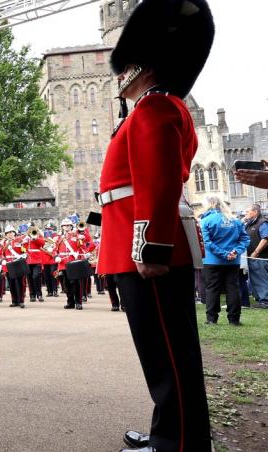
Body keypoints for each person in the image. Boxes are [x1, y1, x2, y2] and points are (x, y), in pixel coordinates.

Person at [97, 1, 214, 450]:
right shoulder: (154, 106)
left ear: (140, 65)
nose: (119, 74)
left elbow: (158, 183)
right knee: (163, 356)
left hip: (147, 253)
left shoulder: (154, 108)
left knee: (169, 356)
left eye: (124, 66)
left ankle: (179, 444)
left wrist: (151, 250)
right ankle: (170, 433)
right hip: (132, 245)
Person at [200, 196, 250, 325]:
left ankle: (212, 319)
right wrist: (235, 252)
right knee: (233, 288)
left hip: (213, 261)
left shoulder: (206, 220)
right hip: (233, 260)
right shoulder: (235, 220)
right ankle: (234, 319)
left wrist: (224, 254)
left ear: (209, 205)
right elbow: (245, 239)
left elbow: (207, 242)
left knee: (212, 289)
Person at [243, 204, 268, 308]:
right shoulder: (249, 223)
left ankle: (265, 301)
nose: (245, 213)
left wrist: (256, 252)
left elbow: (266, 238)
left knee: (261, 278)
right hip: (252, 257)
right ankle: (260, 300)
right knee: (255, 278)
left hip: (260, 257)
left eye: (247, 211)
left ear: (255, 212)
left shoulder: (262, 222)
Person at [55, 218, 83, 310]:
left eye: (68, 225)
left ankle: (78, 302)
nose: (66, 227)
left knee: (76, 283)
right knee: (66, 284)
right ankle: (70, 302)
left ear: (71, 226)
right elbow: (55, 250)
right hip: (63, 263)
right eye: (64, 226)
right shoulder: (59, 238)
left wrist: (79, 253)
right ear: (62, 227)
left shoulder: (77, 235)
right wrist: (56, 256)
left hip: (73, 261)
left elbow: (84, 246)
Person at [0, 225, 26, 308]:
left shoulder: (19, 240)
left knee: (20, 283)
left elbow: (24, 250)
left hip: (17, 263)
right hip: (9, 264)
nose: (10, 234)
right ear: (6, 234)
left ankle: (21, 301)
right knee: (11, 284)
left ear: (14, 233)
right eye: (8, 233)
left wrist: (24, 253)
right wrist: (3, 260)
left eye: (12, 232)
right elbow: (1, 253)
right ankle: (14, 301)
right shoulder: (3, 243)